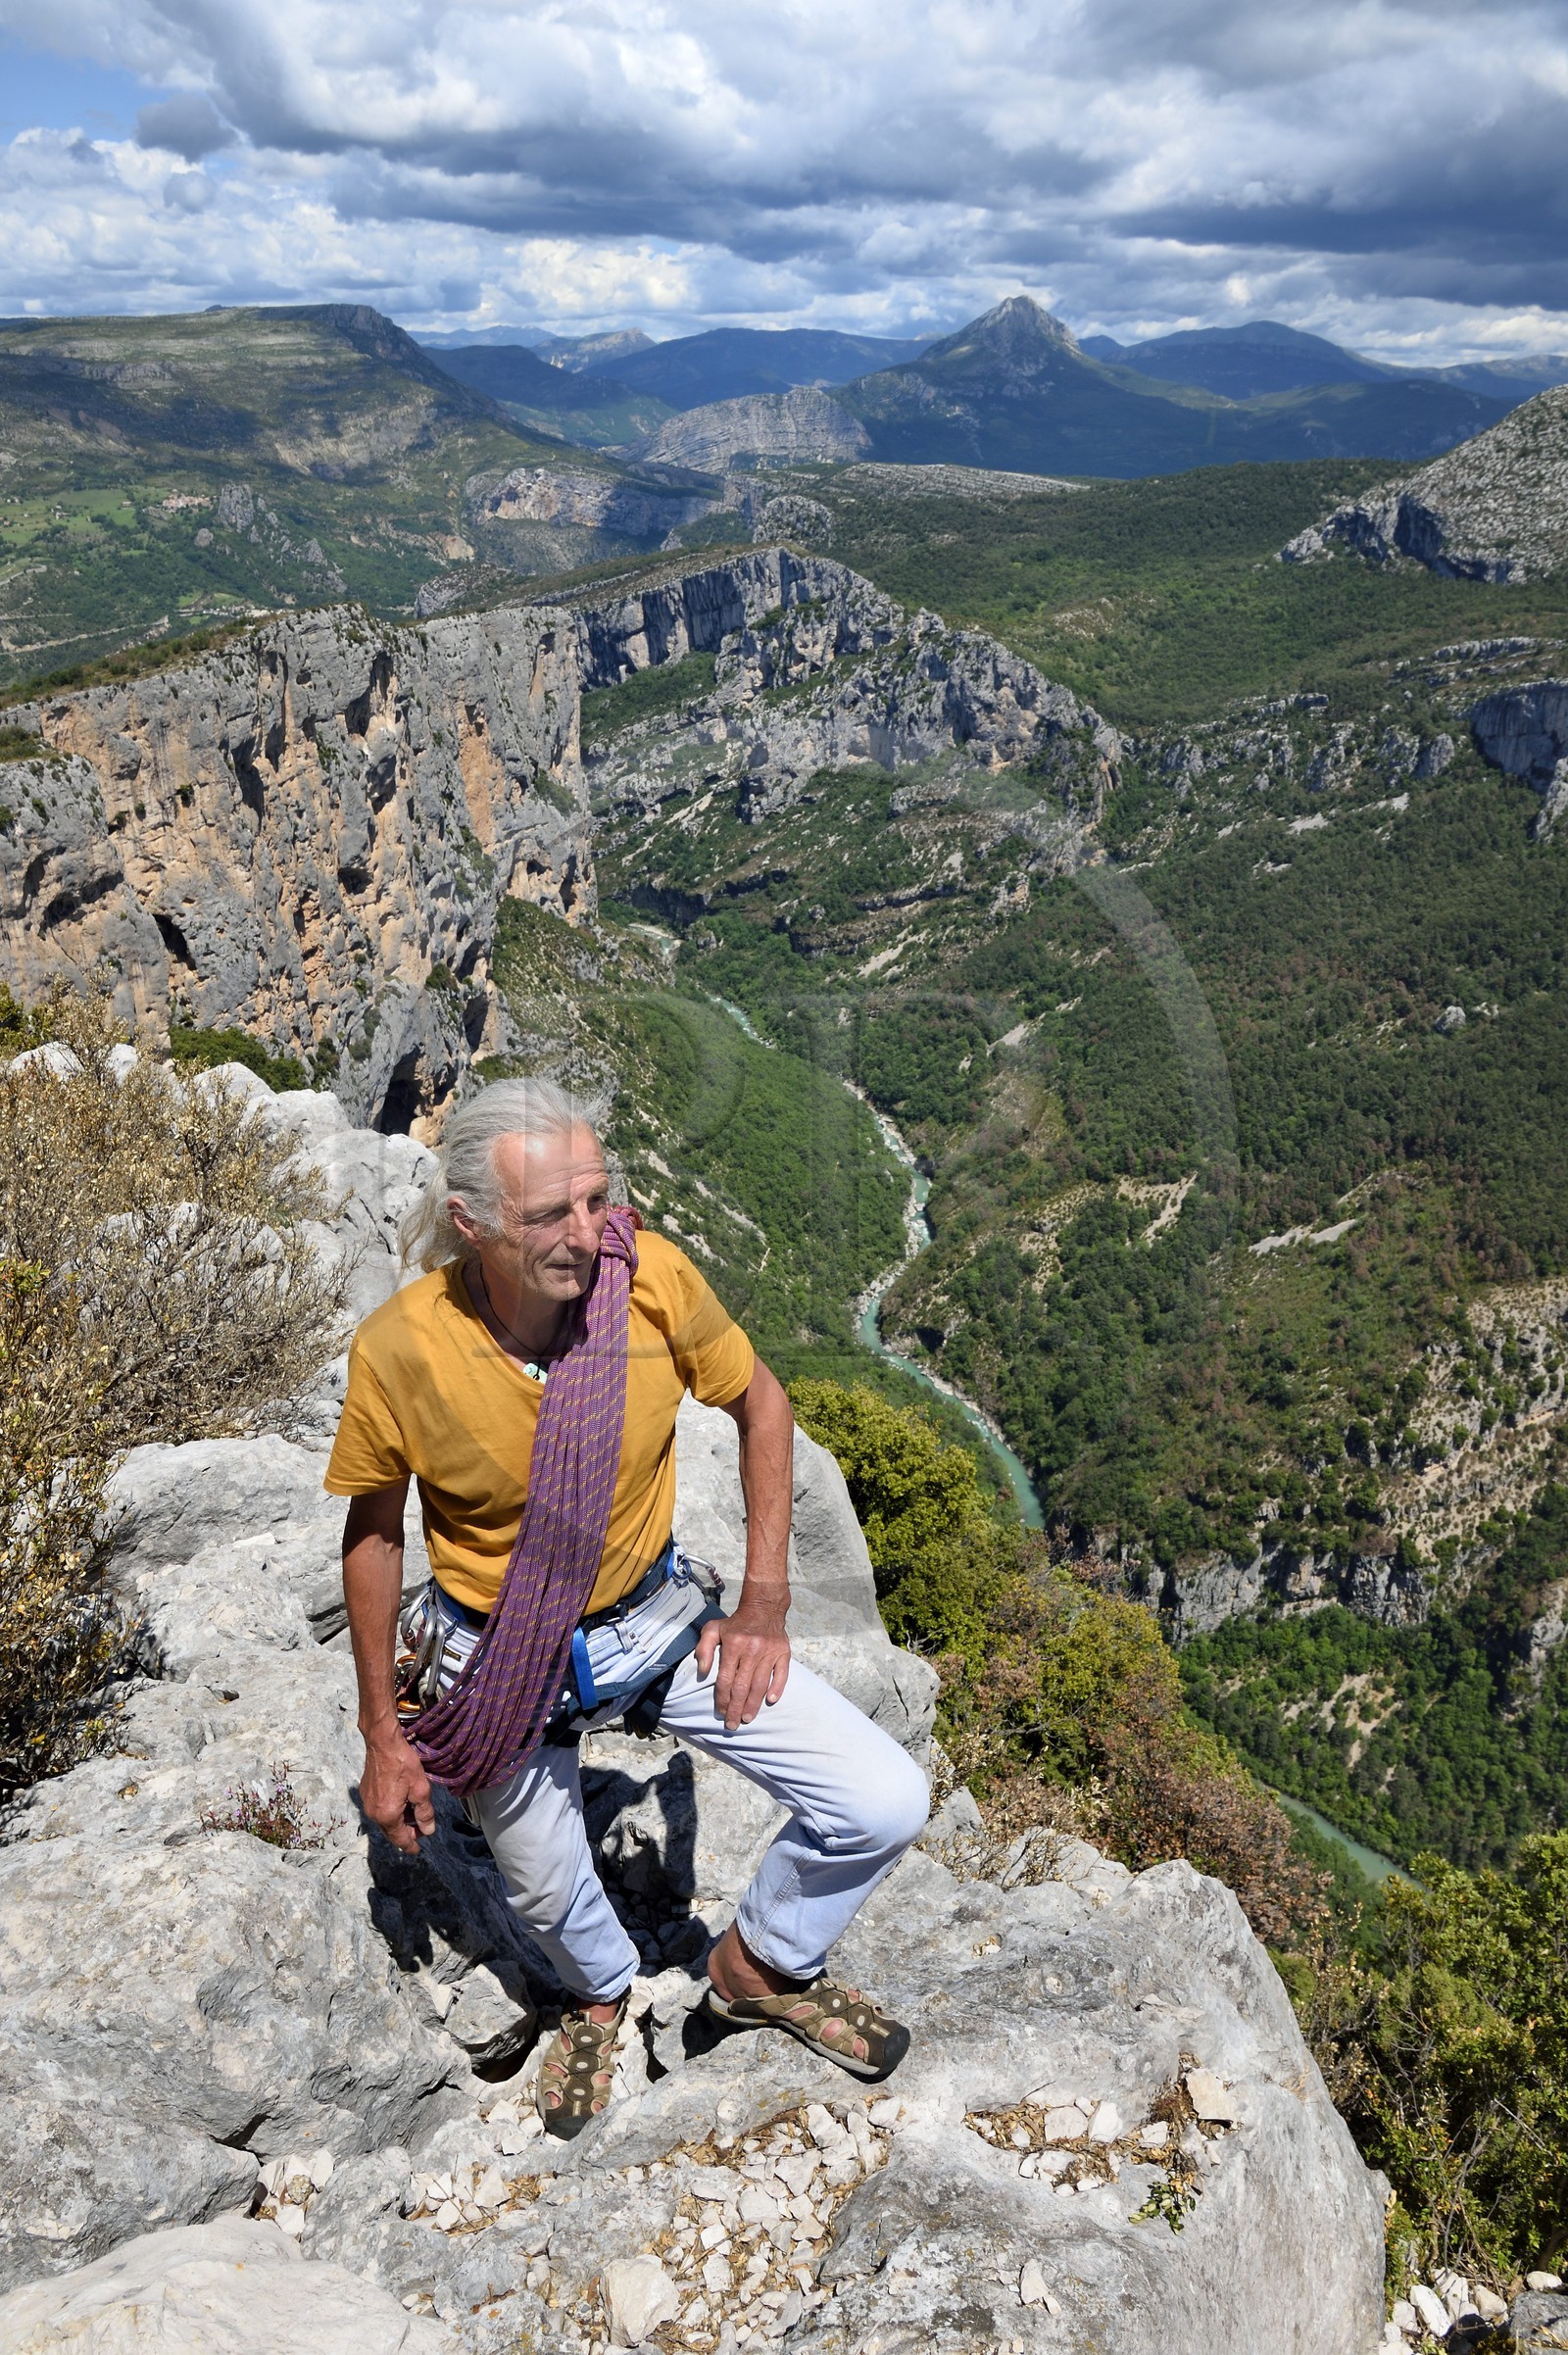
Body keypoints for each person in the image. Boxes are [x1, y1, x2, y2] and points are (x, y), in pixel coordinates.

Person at [327, 1077, 928, 2138]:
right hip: (493, 1652)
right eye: (549, 1214)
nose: (588, 1233)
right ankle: (602, 1997)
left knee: (882, 1798)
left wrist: (764, 1605)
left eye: (597, 1199)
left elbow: (762, 1401)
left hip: (651, 1624)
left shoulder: (645, 1284)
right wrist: (384, 1731)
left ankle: (761, 1967)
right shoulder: (403, 1349)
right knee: (552, 1897)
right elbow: (373, 1537)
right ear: (470, 1225)